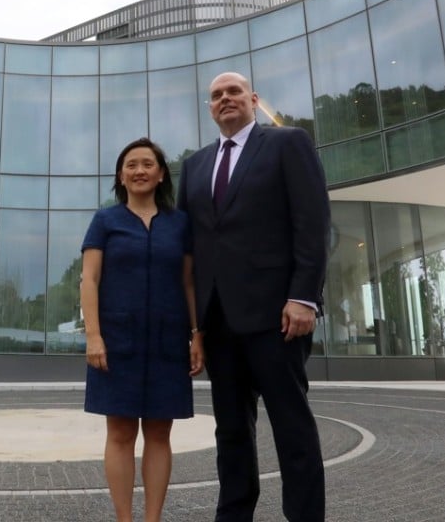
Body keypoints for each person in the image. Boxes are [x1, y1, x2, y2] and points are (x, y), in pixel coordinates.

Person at [177, 72, 330, 522]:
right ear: (210, 109)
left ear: (253, 100)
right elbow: (193, 248)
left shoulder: (287, 143)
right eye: (216, 96)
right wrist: (195, 328)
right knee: (231, 432)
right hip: (220, 322)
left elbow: (313, 222)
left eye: (233, 92)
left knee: (292, 428)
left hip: (277, 316)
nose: (225, 99)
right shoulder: (195, 166)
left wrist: (304, 296)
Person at [81, 137, 205, 522]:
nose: (139, 170)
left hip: (168, 341)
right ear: (121, 175)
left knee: (159, 434)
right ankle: (125, 518)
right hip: (116, 343)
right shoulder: (105, 221)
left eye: (147, 164)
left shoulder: (180, 224)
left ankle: (153, 518)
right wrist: (94, 336)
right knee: (119, 434)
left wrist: (197, 334)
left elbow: (188, 283)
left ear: (161, 173)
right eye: (131, 164)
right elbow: (89, 280)